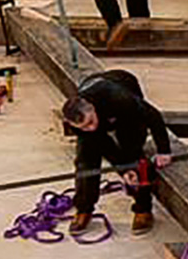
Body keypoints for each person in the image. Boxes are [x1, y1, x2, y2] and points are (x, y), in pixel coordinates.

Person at [62, 68, 174, 234]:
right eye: (84, 127)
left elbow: (152, 115)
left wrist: (164, 150)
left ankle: (143, 209)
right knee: (85, 162)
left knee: (134, 155)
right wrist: (124, 170)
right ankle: (84, 208)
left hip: (123, 95)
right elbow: (104, 146)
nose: (90, 128)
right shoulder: (78, 123)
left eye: (91, 122)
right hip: (101, 101)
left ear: (92, 107)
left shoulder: (120, 98)